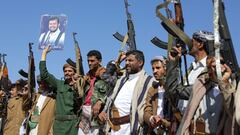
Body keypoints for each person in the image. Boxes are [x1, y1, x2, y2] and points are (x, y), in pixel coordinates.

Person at [98, 50, 154, 135]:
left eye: (130, 60)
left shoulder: (149, 81)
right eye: (126, 60)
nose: (127, 63)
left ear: (140, 63)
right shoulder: (121, 80)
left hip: (131, 128)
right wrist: (105, 110)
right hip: (113, 128)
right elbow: (105, 77)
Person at [177, 56, 235, 135]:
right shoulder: (200, 86)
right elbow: (175, 91)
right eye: (214, 66)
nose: (218, 68)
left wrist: (224, 82)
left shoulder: (232, 87)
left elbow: (232, 110)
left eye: (221, 63)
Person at [39, 46, 81, 135]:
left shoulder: (80, 85)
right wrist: (44, 54)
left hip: (73, 124)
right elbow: (44, 74)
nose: (67, 73)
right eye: (65, 71)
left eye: (70, 71)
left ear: (74, 72)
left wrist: (77, 86)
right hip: (59, 125)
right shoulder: (59, 84)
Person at [78, 50, 109, 135]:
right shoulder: (87, 77)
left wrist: (100, 101)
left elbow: (111, 92)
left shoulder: (106, 76)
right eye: (88, 61)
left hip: (97, 114)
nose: (89, 63)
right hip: (84, 112)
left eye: (92, 61)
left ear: (99, 61)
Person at [143, 56, 171, 134]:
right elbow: (147, 110)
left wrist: (163, 122)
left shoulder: (174, 88)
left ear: (166, 68)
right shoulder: (152, 90)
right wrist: (151, 118)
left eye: (158, 68)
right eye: (153, 68)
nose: (155, 71)